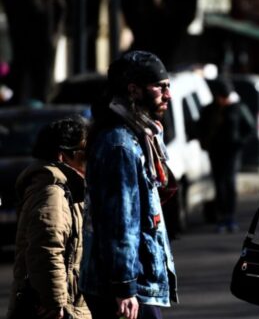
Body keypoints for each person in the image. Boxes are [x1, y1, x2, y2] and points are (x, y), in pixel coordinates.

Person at [78, 50, 178, 319]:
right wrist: (124, 286)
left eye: (168, 87)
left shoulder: (139, 137)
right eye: (160, 87)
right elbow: (120, 222)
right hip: (123, 288)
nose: (168, 95)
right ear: (133, 90)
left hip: (132, 283)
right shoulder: (119, 145)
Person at [7, 116, 91, 319]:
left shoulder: (69, 189)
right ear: (63, 156)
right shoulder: (52, 192)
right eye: (85, 153)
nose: (92, 159)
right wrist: (55, 303)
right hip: (60, 311)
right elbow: (46, 249)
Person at [199, 78, 255, 233]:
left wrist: (239, 142)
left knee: (229, 183)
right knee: (219, 184)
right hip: (215, 151)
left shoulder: (237, 108)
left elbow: (249, 127)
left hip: (232, 152)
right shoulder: (210, 109)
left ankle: (230, 216)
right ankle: (221, 216)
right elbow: (202, 127)